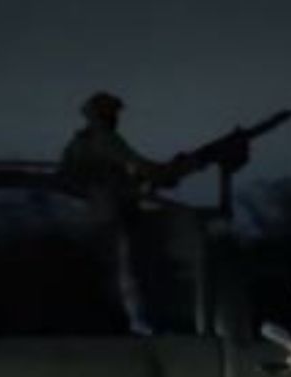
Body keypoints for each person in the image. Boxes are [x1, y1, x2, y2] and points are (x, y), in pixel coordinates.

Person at [59, 92, 193, 335]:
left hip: (100, 214)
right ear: (102, 115)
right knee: (128, 273)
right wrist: (168, 170)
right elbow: (137, 165)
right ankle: (139, 325)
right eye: (112, 113)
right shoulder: (103, 140)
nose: (116, 118)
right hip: (110, 213)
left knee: (114, 272)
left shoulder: (83, 141)